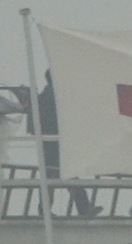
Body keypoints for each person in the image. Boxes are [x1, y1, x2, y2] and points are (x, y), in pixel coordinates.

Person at [33, 71, 96, 218]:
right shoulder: (55, 95)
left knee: (52, 179)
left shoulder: (44, 95)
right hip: (55, 145)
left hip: (49, 145)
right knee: (66, 176)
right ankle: (84, 209)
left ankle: (46, 211)